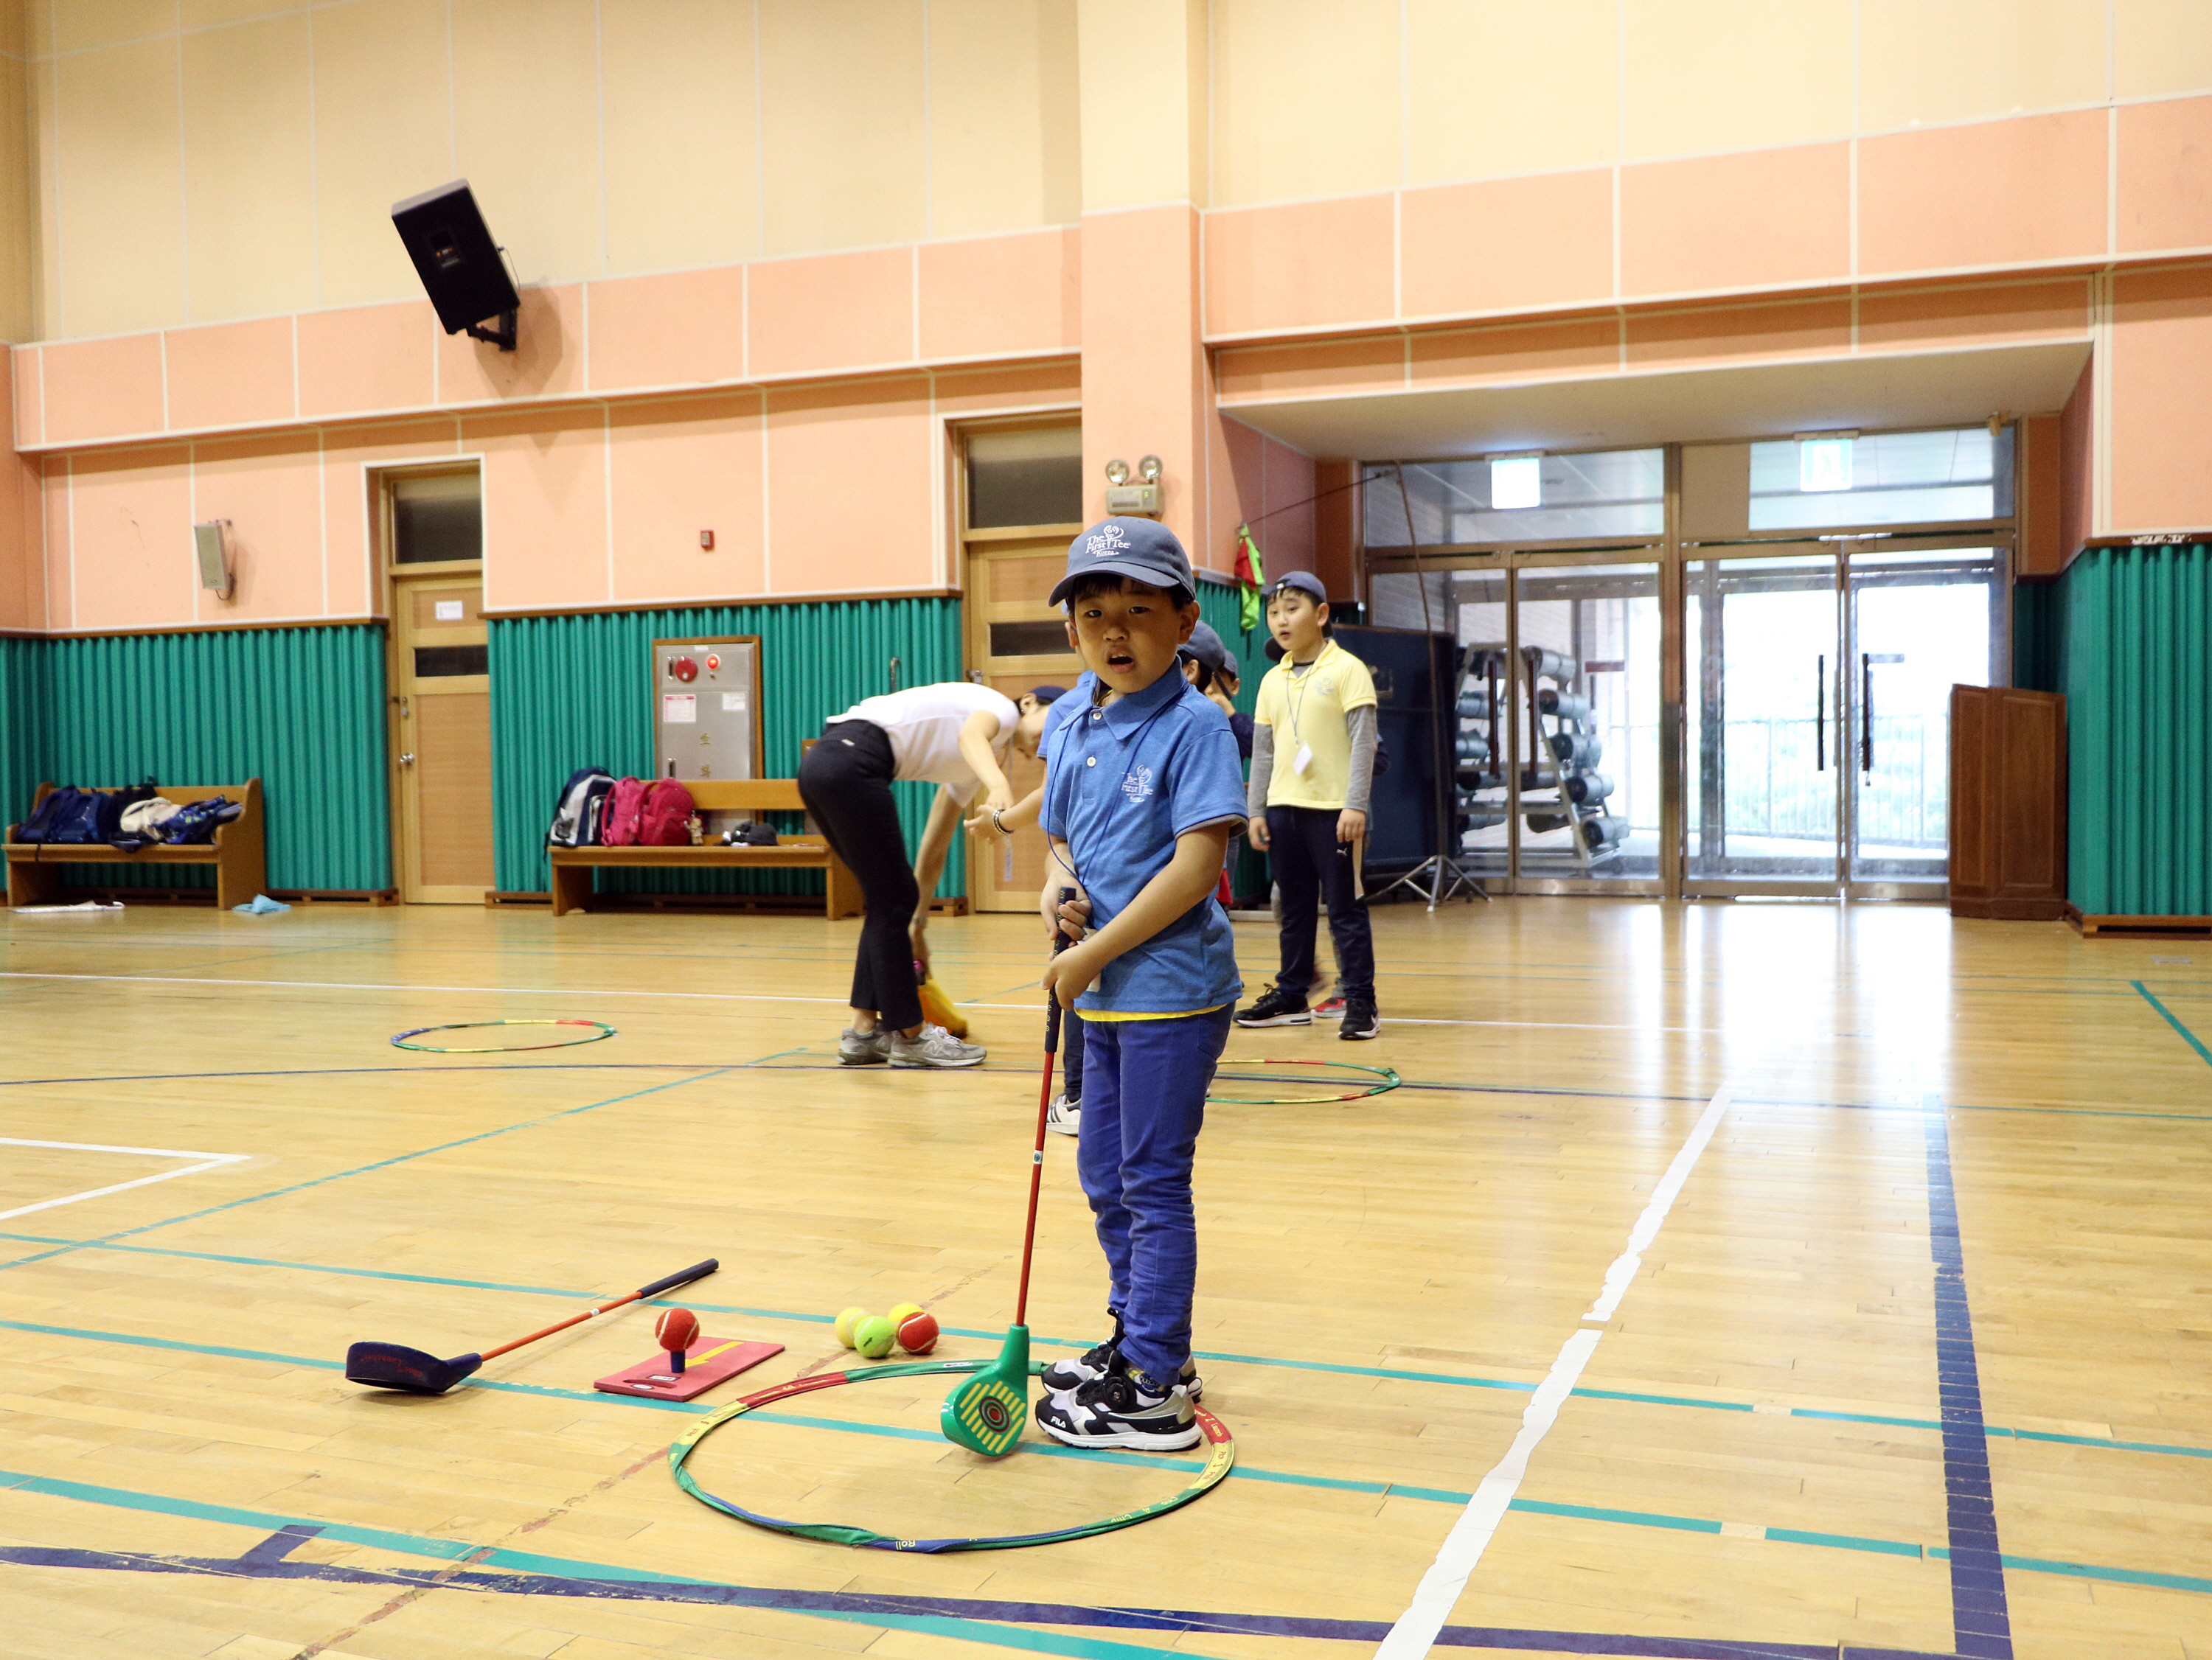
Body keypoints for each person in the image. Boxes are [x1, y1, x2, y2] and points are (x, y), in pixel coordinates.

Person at [1029, 517, 1246, 1452]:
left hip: (1171, 987)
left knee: (1152, 1181)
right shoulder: (1074, 715)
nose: (1114, 632)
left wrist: (1091, 951)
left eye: (1138, 611)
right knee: (1104, 1174)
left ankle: (1155, 1387)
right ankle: (1142, 1340)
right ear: (1072, 628)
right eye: (1094, 614)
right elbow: (1060, 838)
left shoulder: (1196, 726)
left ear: (1185, 621)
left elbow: (1196, 868)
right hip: (1104, 986)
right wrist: (1057, 888)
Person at [799, 680, 1060, 1067]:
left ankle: (863, 1033)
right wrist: (999, 784)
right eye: (1052, 719)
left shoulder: (977, 763)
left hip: (826, 765)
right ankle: (912, 1036)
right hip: (850, 759)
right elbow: (971, 735)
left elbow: (935, 845)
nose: (1043, 741)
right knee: (892, 898)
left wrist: (917, 926)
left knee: (888, 898)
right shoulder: (1000, 711)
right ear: (1029, 702)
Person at [1234, 571, 1381, 1040]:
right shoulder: (1270, 680)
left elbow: (1365, 745)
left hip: (1336, 812)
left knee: (1345, 910)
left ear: (1320, 614)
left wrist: (1355, 805)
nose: (1281, 619)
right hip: (1283, 810)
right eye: (1274, 612)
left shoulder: (1348, 670)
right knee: (1293, 910)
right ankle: (1293, 995)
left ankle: (1360, 1000)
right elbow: (1264, 751)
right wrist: (1257, 810)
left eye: (1292, 609)